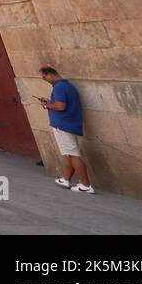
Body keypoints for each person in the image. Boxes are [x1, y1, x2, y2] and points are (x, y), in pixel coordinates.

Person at [39, 66, 94, 194]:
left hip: (63, 125)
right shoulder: (66, 86)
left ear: (50, 75)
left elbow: (60, 106)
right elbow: (61, 103)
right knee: (68, 153)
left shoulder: (59, 87)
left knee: (73, 154)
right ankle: (66, 179)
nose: (44, 80)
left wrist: (47, 105)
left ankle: (86, 184)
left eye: (44, 77)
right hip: (66, 124)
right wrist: (50, 102)